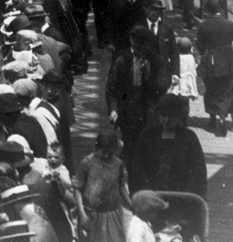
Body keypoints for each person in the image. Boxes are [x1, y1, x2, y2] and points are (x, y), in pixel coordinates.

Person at [105, 26, 168, 161]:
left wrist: (149, 76)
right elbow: (111, 87)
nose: (140, 50)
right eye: (137, 45)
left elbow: (162, 86)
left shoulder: (157, 60)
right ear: (131, 40)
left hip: (149, 111)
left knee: (148, 148)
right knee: (130, 148)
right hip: (127, 112)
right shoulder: (121, 59)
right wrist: (113, 109)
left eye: (143, 46)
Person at [128, 93, 206, 200]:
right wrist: (147, 193)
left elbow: (198, 172)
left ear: (178, 116)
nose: (166, 120)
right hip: (151, 197)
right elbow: (138, 168)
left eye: (171, 116)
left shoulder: (189, 138)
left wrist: (187, 198)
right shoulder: (147, 135)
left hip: (180, 198)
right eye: (163, 115)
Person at [196, 0, 233, 137]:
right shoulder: (229, 24)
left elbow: (200, 48)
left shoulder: (203, 25)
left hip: (211, 62)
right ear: (220, 8)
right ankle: (222, 116)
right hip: (228, 62)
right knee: (226, 90)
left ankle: (213, 119)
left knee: (211, 90)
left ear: (208, 9)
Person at [73, 131, 131, 242]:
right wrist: (82, 213)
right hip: (90, 215)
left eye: (110, 152)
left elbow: (121, 187)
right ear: (96, 147)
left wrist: (131, 205)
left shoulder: (118, 164)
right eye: (103, 152)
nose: (107, 156)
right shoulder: (86, 163)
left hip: (112, 214)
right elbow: (77, 189)